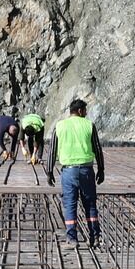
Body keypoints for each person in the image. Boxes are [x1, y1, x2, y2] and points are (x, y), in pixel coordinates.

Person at [44, 98, 105, 247]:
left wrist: (49, 171)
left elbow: (52, 150)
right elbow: (97, 149)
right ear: (79, 111)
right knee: (90, 204)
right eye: (85, 111)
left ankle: (72, 238)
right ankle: (95, 237)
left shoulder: (60, 126)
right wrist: (101, 169)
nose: (86, 113)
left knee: (70, 204)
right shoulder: (89, 125)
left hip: (68, 171)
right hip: (86, 170)